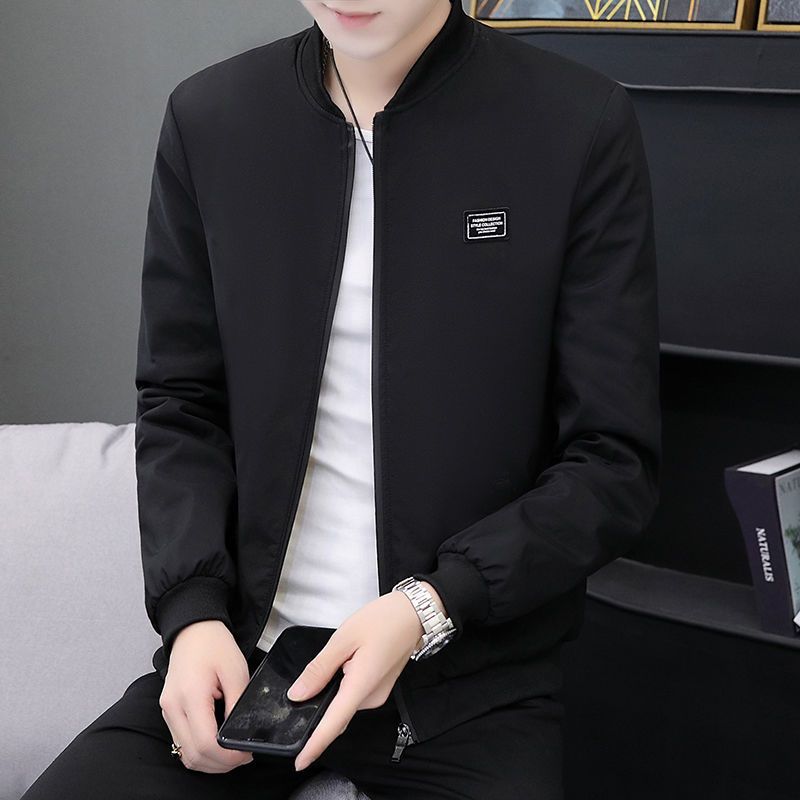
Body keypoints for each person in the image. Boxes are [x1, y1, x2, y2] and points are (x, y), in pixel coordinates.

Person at [20, 1, 661, 798]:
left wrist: (430, 605)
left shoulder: (576, 123)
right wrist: (192, 615)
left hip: (466, 688)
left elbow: (612, 460)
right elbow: (181, 402)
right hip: (247, 669)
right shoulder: (213, 119)